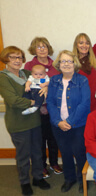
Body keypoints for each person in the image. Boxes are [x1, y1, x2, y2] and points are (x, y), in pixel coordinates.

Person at [0, 46, 50, 196]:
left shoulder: (27, 73)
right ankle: (24, 182)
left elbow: (43, 81)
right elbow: (13, 100)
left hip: (34, 120)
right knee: (23, 155)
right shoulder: (3, 77)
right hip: (18, 123)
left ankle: (38, 178)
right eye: (13, 57)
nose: (17, 60)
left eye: (19, 57)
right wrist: (34, 103)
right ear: (6, 59)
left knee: (37, 152)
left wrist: (46, 88)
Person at [46, 50, 90, 193]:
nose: (66, 64)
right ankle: (69, 179)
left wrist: (70, 121)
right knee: (65, 153)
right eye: (63, 61)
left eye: (69, 61)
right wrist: (58, 121)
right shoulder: (54, 81)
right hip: (58, 125)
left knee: (79, 153)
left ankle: (82, 180)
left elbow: (85, 103)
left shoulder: (82, 80)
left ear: (74, 63)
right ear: (58, 64)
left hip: (78, 125)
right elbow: (51, 102)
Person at [24, 36, 62, 178]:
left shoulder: (56, 65)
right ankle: (41, 165)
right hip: (37, 110)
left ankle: (54, 163)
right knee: (39, 139)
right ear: (34, 49)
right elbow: (26, 87)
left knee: (53, 138)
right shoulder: (29, 66)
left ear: (48, 48)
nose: (42, 49)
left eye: (44, 46)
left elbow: (59, 85)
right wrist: (39, 105)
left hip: (54, 108)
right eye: (38, 47)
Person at [73, 5, 96, 112]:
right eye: (81, 43)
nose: (85, 45)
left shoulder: (92, 53)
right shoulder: (71, 61)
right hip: (82, 101)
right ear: (76, 45)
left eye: (87, 43)